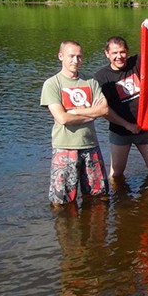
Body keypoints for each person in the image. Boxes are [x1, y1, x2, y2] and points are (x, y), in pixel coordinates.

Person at [40, 40, 110, 205]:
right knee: (62, 201)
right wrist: (91, 114)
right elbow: (62, 118)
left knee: (99, 197)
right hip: (65, 148)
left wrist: (77, 111)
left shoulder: (90, 81)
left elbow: (104, 109)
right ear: (60, 56)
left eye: (79, 56)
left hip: (90, 144)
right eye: (71, 56)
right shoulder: (52, 84)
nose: (75, 60)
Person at [94, 36, 148, 179]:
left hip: (144, 128)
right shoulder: (100, 78)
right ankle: (118, 200)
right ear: (107, 54)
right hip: (120, 131)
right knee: (117, 173)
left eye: (122, 52)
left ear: (128, 52)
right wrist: (128, 125)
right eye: (114, 53)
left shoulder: (136, 63)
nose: (119, 56)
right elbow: (104, 111)